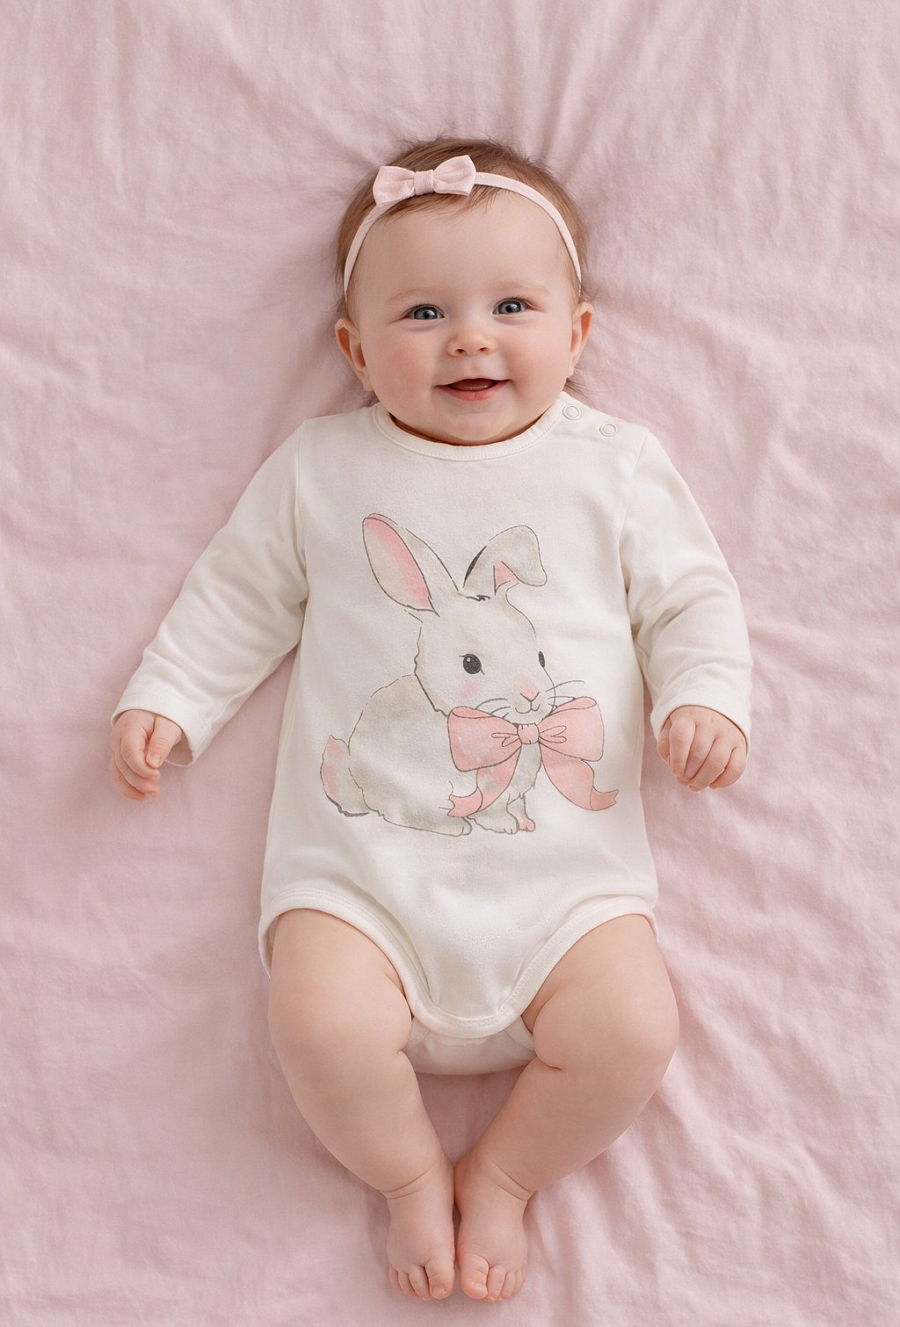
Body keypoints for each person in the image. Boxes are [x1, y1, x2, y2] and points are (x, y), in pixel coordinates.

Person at [109, 137, 752, 1304]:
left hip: (566, 896)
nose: (469, 338)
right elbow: (238, 594)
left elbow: (689, 596)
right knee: (316, 1021)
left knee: (633, 1030)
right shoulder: (322, 469)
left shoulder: (611, 466)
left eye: (512, 306)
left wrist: (704, 693)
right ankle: (409, 1175)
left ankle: (504, 1174)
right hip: (364, 881)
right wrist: (170, 696)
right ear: (354, 350)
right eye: (423, 311)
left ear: (578, 334)